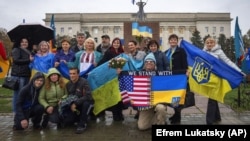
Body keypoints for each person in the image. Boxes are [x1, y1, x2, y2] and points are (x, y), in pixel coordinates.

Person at [203, 37, 246, 125]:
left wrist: (239, 71)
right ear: (205, 44)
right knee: (213, 97)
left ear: (215, 43)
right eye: (207, 43)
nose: (209, 44)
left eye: (211, 42)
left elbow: (228, 62)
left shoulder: (219, 52)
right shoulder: (203, 52)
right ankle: (217, 117)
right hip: (208, 78)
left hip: (217, 78)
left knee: (212, 98)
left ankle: (209, 121)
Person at [132, 53, 168, 130]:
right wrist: (120, 73)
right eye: (147, 61)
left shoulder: (161, 74)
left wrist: (184, 76)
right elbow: (129, 80)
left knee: (161, 108)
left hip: (159, 102)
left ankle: (161, 122)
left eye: (151, 62)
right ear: (144, 63)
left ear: (154, 64)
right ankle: (156, 118)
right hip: (146, 104)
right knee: (142, 127)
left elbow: (172, 81)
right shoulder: (139, 74)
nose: (149, 63)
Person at [97, 37, 125, 121]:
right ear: (112, 44)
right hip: (112, 78)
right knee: (114, 96)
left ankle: (120, 113)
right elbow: (102, 63)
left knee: (120, 96)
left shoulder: (122, 53)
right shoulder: (109, 52)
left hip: (120, 78)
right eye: (114, 43)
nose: (116, 44)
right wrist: (109, 66)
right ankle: (115, 114)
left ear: (120, 44)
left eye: (118, 43)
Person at [164, 34, 188, 124]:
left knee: (177, 97)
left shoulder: (181, 51)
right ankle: (175, 114)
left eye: (174, 40)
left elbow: (185, 63)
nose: (173, 41)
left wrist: (186, 71)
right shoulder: (166, 52)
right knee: (172, 96)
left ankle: (178, 116)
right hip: (169, 77)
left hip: (179, 77)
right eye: (171, 40)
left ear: (177, 41)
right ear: (169, 41)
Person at [60, 67, 94, 134]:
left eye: (74, 73)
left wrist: (76, 103)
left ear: (78, 74)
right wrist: (62, 100)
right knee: (68, 121)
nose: (72, 75)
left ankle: (82, 125)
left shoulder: (84, 82)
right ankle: (82, 118)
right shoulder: (68, 84)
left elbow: (88, 96)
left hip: (86, 102)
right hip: (75, 105)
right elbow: (68, 96)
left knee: (86, 104)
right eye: (70, 74)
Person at [11, 38, 34, 113]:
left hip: (26, 75)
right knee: (18, 94)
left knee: (25, 93)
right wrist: (28, 60)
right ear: (19, 43)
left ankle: (23, 110)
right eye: (22, 42)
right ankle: (16, 111)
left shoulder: (28, 51)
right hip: (18, 75)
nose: (24, 43)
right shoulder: (16, 50)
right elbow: (16, 60)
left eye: (26, 42)